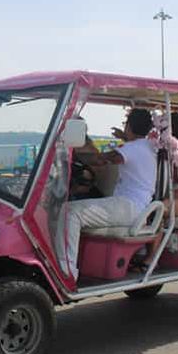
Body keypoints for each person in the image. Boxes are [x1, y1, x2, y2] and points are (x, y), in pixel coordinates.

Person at [62, 108, 156, 279]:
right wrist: (125, 137)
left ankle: (66, 272)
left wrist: (73, 151)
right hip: (136, 207)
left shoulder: (131, 148)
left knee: (70, 213)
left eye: (126, 124)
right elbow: (133, 146)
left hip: (129, 207)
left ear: (129, 126)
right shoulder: (147, 145)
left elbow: (99, 160)